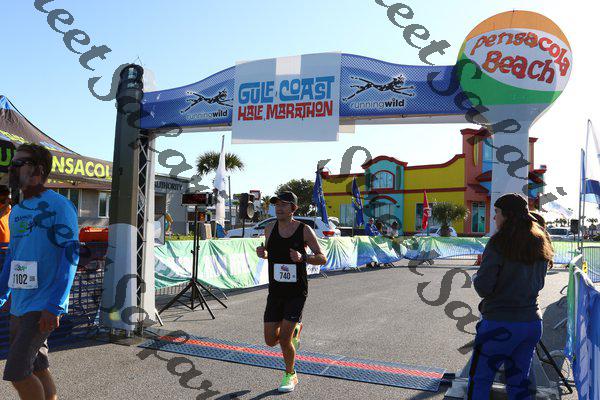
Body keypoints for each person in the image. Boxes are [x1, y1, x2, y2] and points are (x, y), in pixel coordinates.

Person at [0, 143, 80, 400]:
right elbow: (13, 256)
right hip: (20, 304)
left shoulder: (59, 205)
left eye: (19, 163)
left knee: (17, 373)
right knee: (37, 367)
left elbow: (71, 255)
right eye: (12, 163)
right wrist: (3, 294)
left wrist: (55, 305)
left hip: (43, 304)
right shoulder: (18, 211)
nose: (12, 168)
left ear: (39, 170)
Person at [468, 193, 553, 400]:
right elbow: (539, 283)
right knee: (519, 382)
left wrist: (476, 278)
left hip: (499, 323)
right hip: (531, 323)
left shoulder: (498, 242)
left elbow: (484, 287)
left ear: (507, 215)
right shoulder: (540, 241)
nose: (494, 217)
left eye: (496, 212)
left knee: (480, 380)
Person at [256, 191, 327, 393]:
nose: (279, 208)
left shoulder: (304, 230)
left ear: (293, 208)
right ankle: (294, 329)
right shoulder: (269, 228)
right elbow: (270, 252)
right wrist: (263, 253)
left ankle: (290, 374)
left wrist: (303, 258)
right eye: (277, 204)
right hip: (275, 291)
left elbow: (322, 258)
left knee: (284, 340)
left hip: (296, 292)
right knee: (270, 340)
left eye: (284, 205)